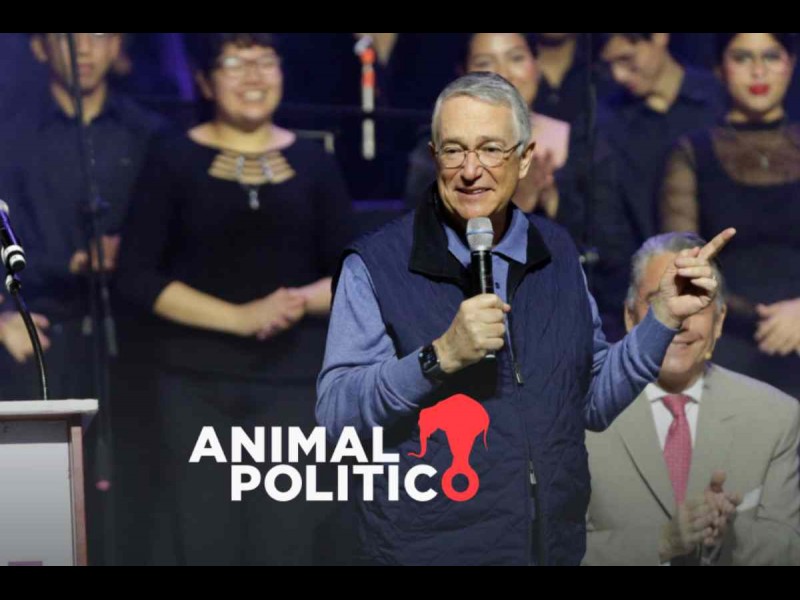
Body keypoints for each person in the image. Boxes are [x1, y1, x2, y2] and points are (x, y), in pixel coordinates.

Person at [317, 72, 735, 566]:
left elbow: (591, 399)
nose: (471, 170)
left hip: (548, 546)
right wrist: (439, 357)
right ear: (433, 157)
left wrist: (660, 317)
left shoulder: (556, 249)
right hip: (428, 548)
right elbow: (335, 416)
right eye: (454, 150)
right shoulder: (376, 263)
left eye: (491, 149)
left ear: (525, 158)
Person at [115, 33, 355, 565]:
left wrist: (295, 301)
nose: (253, 76)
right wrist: (239, 318)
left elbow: (354, 274)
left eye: (265, 61)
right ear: (204, 81)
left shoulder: (314, 160)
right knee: (205, 542)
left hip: (293, 385)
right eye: (235, 62)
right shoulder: (172, 156)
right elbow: (135, 276)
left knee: (286, 543)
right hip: (193, 384)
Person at [585, 232, 800, 566]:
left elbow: (790, 550)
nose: (679, 321)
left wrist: (729, 533)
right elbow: (552, 549)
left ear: (719, 321)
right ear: (629, 317)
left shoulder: (776, 417)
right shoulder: (581, 415)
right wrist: (662, 541)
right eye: (661, 302)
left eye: (696, 300)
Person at [660, 33, 800, 399]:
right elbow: (684, 263)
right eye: (742, 58)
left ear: (790, 64)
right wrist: (768, 319)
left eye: (771, 56)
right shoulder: (692, 153)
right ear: (720, 69)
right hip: (729, 337)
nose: (758, 71)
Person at [597, 33, 725, 245]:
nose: (618, 75)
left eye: (627, 58)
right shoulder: (609, 120)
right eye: (609, 64)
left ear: (659, 37)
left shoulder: (717, 100)